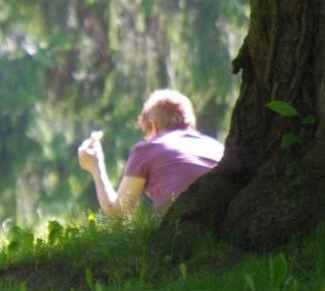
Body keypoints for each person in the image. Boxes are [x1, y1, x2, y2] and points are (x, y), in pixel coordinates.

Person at [77, 89, 224, 218]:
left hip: (181, 231)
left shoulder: (148, 148)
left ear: (153, 125)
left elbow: (118, 212)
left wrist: (96, 166)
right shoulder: (219, 147)